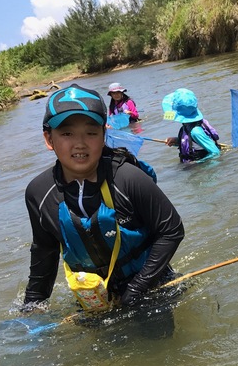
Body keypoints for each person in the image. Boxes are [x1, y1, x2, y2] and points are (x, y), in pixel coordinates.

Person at [22, 84, 184, 315]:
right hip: (94, 303)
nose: (80, 143)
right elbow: (44, 255)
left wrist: (138, 289)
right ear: (49, 139)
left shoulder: (129, 179)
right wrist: (31, 310)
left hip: (151, 290)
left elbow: (172, 230)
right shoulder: (39, 193)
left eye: (91, 132)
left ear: (103, 136)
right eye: (67, 133)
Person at [163, 88, 221, 163]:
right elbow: (194, 144)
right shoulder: (187, 126)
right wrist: (176, 141)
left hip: (200, 168)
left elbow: (215, 153)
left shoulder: (196, 132)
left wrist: (196, 163)